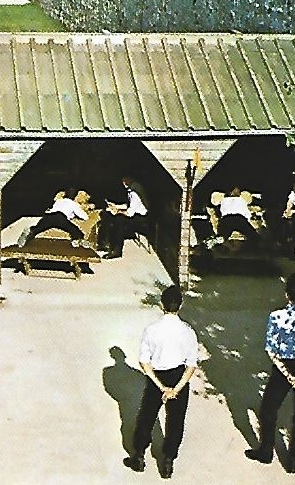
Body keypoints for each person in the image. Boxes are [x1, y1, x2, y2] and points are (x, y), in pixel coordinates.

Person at [245, 272, 295, 473]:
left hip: (283, 367)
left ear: (287, 294)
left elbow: (271, 350)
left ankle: (266, 451)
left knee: (268, 409)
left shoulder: (276, 316)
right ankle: (293, 460)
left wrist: (288, 376)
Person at [125, 284, 198, 479]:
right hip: (179, 376)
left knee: (147, 416)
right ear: (180, 305)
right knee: (176, 421)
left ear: (161, 304)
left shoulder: (152, 330)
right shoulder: (188, 332)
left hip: (157, 377)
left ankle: (138, 456)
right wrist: (175, 389)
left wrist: (161, 387)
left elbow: (144, 361)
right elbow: (191, 364)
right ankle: (167, 462)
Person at [99, 176, 148, 258]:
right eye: (123, 180)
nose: (123, 183)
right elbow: (128, 205)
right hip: (135, 213)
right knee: (110, 216)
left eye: (125, 180)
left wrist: (117, 211)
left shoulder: (134, 193)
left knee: (119, 221)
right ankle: (106, 244)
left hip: (140, 217)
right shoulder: (131, 189)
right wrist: (116, 206)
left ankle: (116, 250)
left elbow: (130, 213)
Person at [22, 190, 90, 247]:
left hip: (48, 215)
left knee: (38, 228)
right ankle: (77, 240)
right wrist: (85, 210)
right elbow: (85, 217)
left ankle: (30, 232)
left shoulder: (61, 200)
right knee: (74, 229)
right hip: (59, 217)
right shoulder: (74, 204)